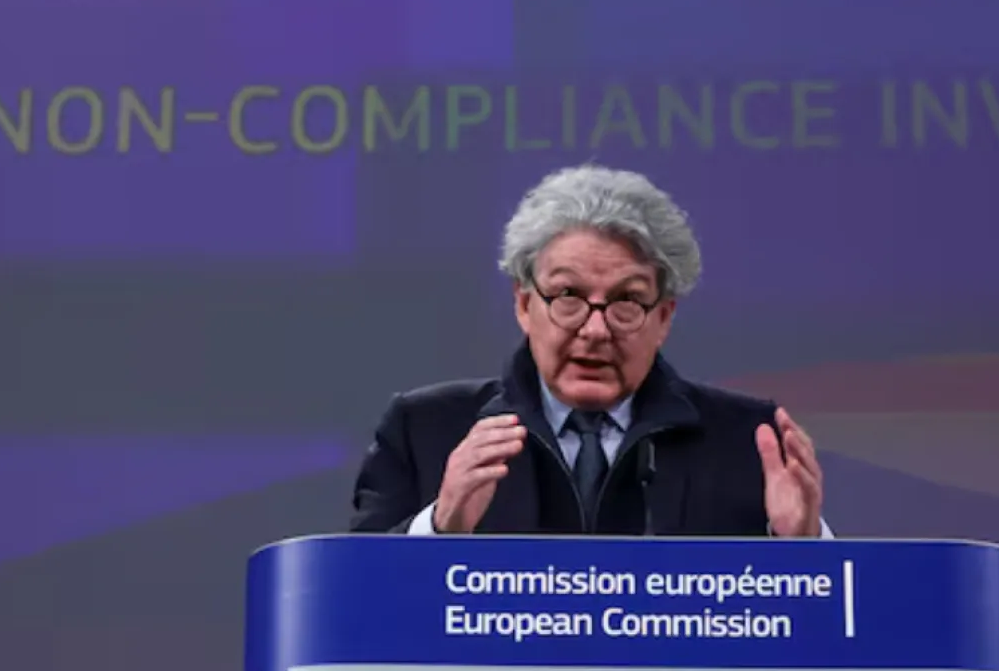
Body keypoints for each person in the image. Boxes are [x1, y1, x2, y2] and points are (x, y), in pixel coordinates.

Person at [349, 164, 832, 538]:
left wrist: (804, 547)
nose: (596, 330)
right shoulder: (426, 429)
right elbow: (352, 597)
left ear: (663, 316)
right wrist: (439, 528)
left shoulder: (750, 444)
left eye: (626, 301)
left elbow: (828, 631)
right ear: (523, 303)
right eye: (568, 297)